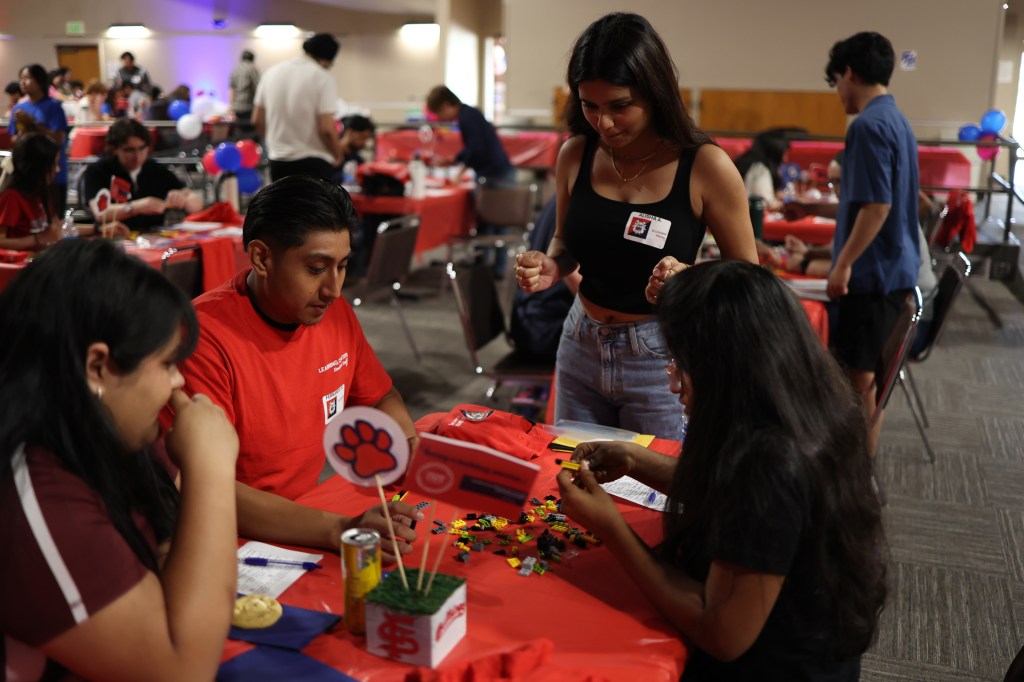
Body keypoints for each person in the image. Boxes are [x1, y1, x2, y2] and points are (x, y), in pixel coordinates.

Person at [557, 260, 887, 680]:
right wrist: (635, 461)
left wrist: (611, 529)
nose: (673, 383)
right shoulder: (797, 408)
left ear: (724, 368)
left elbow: (721, 632)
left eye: (680, 363)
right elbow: (734, 501)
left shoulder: (772, 465)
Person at [0, 239, 239, 680]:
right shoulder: (34, 492)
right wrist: (211, 467)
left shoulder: (114, 431)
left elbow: (171, 559)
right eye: (167, 363)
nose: (179, 380)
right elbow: (182, 673)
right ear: (98, 367)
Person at [515, 13, 757, 440]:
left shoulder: (705, 165)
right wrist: (551, 265)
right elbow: (563, 242)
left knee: (654, 494)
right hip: (579, 342)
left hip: (660, 353)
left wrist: (690, 280)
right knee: (574, 485)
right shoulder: (575, 154)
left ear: (655, 93)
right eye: (590, 106)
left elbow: (750, 281)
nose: (603, 124)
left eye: (620, 106)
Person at [171, 175, 422, 561]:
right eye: (316, 267)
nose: (334, 290)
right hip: (226, 536)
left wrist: (409, 451)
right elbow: (204, 486)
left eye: (342, 266)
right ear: (261, 258)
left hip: (307, 515)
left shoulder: (332, 314)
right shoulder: (203, 337)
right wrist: (338, 529)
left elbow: (379, 397)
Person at [824, 32, 919, 454]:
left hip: (873, 276)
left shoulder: (867, 124)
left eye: (837, 82)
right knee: (866, 382)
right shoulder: (897, 119)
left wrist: (842, 264)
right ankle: (860, 476)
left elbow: (877, 207)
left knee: (857, 382)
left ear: (849, 73)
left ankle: (854, 481)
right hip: (894, 271)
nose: (839, 92)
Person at [83, 119, 203, 233]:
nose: (137, 156)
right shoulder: (98, 171)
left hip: (153, 239)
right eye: (129, 150)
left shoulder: (155, 169)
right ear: (115, 149)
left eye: (142, 148)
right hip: (113, 240)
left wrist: (183, 198)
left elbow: (197, 204)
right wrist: (137, 207)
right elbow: (100, 213)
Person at [253, 33, 343, 181]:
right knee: (314, 205)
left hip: (278, 161)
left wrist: (275, 143)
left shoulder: (271, 73)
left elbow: (257, 119)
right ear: (326, 60)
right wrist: (338, 153)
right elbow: (326, 128)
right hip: (314, 162)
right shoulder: (322, 77)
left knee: (283, 204)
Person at [509, 196, 580, 363]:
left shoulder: (563, 197)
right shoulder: (582, 201)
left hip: (531, 318)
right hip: (544, 326)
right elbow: (573, 274)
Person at [8, 64, 70, 217]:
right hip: (28, 175)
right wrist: (23, 132)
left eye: (27, 78)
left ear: (40, 81)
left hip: (52, 173)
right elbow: (14, 139)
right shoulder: (18, 108)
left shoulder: (54, 107)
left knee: (54, 218)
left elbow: (57, 138)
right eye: (21, 79)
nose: (23, 82)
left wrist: (33, 123)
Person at [425, 85, 513, 185]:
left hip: (494, 175)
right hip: (495, 172)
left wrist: (460, 173)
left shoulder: (467, 117)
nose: (439, 118)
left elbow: (476, 148)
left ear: (445, 106)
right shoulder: (468, 113)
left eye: (438, 113)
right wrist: (454, 159)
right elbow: (472, 147)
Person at [734, 129, 789, 210]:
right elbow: (764, 204)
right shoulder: (760, 171)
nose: (785, 159)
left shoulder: (756, 166)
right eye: (784, 154)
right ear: (775, 154)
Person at [229, 50, 260, 135]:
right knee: (251, 133)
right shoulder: (252, 68)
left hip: (236, 107)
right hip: (248, 107)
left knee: (240, 132)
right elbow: (258, 87)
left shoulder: (235, 69)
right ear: (253, 60)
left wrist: (231, 106)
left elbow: (231, 89)